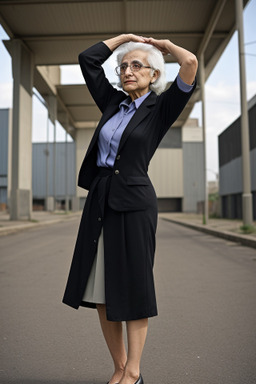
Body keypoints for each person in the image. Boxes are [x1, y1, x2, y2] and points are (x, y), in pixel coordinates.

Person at [63, 33, 198, 384]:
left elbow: (190, 64)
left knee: (134, 286)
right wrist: (125, 39)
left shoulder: (160, 108)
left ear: (154, 74)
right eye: (123, 66)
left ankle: (135, 371)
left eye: (137, 65)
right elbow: (87, 59)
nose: (127, 71)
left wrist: (162, 46)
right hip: (100, 198)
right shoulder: (112, 103)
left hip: (136, 203)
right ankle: (121, 368)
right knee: (101, 289)